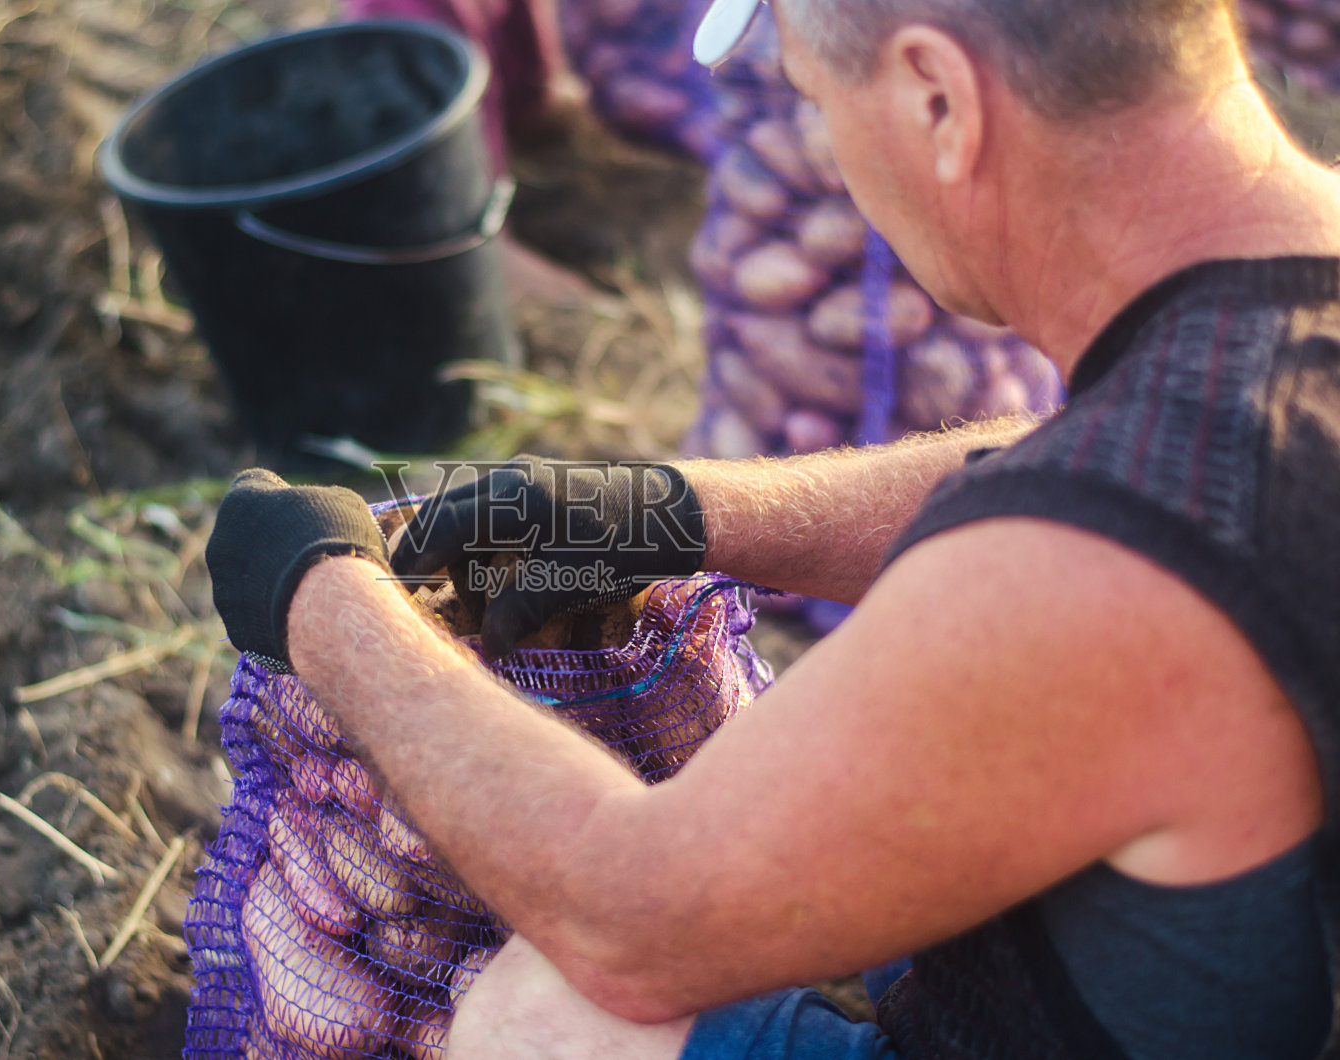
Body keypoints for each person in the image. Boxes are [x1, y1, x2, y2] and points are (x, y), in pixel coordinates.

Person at [204, 0, 1340, 1056]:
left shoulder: (1111, 569)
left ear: (937, 100)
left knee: (541, 1017)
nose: (836, 160)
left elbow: (625, 916)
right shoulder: (1285, 300)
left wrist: (326, 597)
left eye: (812, 99)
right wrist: (673, 514)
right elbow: (1078, 461)